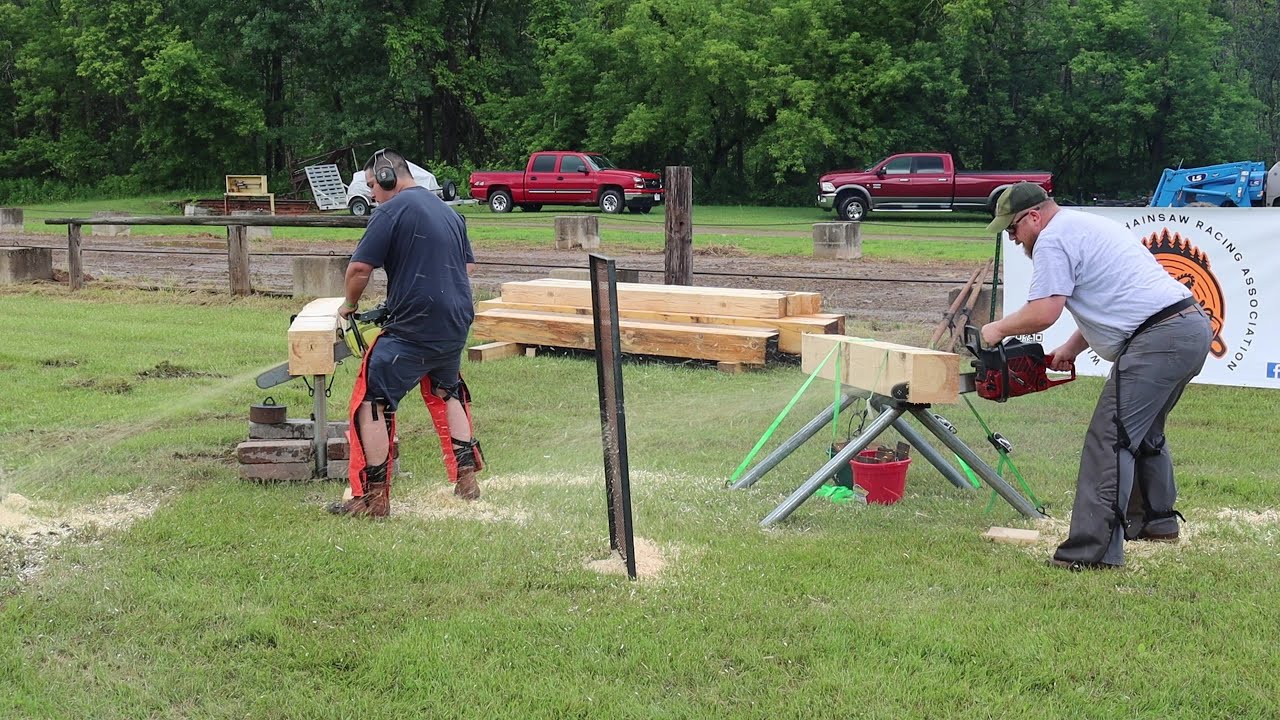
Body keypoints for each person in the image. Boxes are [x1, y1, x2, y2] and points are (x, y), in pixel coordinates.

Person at [979, 182, 1212, 570]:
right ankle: (1155, 522)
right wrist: (1071, 348)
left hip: (1160, 338)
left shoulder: (1052, 240)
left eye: (1013, 229)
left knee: (1110, 439)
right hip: (1187, 328)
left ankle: (1093, 551)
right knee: (1142, 433)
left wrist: (996, 329)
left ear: (1033, 217)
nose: (1014, 238)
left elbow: (1044, 311)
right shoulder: (1084, 225)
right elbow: (1116, 299)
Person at [328, 148, 483, 517]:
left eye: (372, 185)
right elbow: (466, 270)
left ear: (387, 176)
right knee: (448, 390)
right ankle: (467, 481)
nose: (371, 194)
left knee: (372, 400)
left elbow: (359, 270)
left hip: (414, 326)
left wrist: (348, 305)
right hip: (455, 321)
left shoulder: (390, 211)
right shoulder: (450, 213)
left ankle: (373, 498)